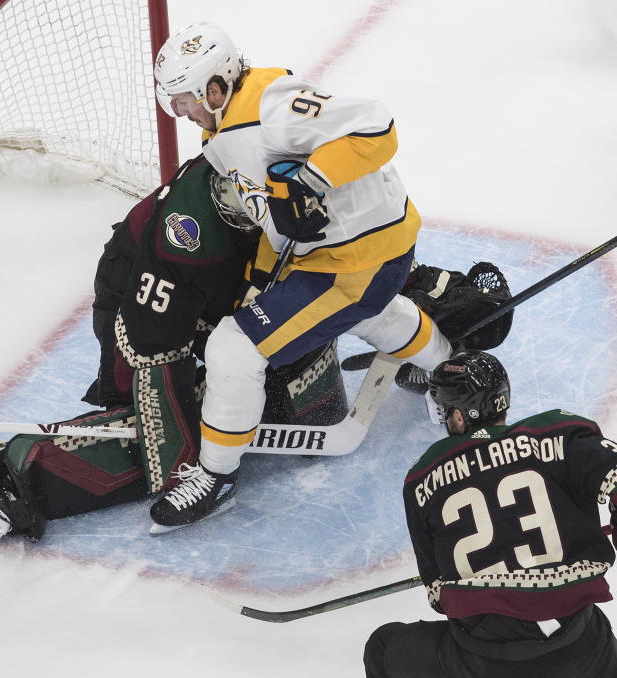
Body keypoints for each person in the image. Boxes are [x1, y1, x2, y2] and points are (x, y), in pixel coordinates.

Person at [0, 156, 350, 540]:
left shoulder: (277, 170)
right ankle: (6, 481)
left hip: (216, 289)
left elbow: (353, 256)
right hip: (135, 299)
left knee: (298, 379)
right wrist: (185, 462)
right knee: (153, 428)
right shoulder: (186, 240)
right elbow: (154, 345)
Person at [149, 22, 454, 530]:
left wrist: (314, 177)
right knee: (365, 313)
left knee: (233, 347)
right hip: (343, 255)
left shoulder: (272, 107)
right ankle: (446, 367)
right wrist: (261, 277)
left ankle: (216, 475)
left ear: (216, 86)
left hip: (359, 259)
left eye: (184, 98)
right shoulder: (221, 129)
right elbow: (278, 217)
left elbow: (377, 127)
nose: (179, 112)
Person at [364, 350, 617, 677]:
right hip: (582, 649)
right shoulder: (557, 436)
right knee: (590, 631)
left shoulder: (422, 478)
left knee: (383, 646)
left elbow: (440, 595)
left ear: (458, 416)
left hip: (483, 662)